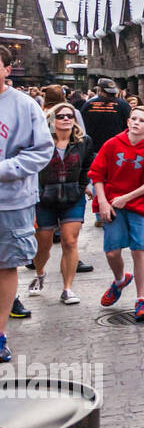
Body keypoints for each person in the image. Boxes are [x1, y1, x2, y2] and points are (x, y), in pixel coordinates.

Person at [88, 105, 144, 322]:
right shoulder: (112, 144)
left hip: (140, 205)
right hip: (112, 203)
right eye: (134, 118)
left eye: (142, 121)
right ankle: (120, 280)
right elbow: (97, 174)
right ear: (127, 121)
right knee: (112, 251)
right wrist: (103, 202)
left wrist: (127, 197)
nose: (136, 123)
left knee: (139, 250)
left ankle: (142, 299)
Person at [0, 47, 54, 361]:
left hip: (10, 201)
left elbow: (40, 151)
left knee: (5, 265)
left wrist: (5, 170)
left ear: (7, 69)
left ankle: (1, 333)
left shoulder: (23, 105)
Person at [29, 103, 91, 304]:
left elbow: (88, 167)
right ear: (51, 120)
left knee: (70, 241)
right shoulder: (41, 142)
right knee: (44, 245)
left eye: (69, 116)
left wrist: (82, 187)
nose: (66, 119)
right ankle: (39, 273)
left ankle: (68, 288)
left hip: (73, 198)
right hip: (45, 200)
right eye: (61, 116)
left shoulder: (83, 142)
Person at [80, 78, 130, 159]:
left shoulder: (89, 104)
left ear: (99, 90)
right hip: (116, 147)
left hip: (93, 148)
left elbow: (81, 125)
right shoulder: (123, 105)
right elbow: (128, 125)